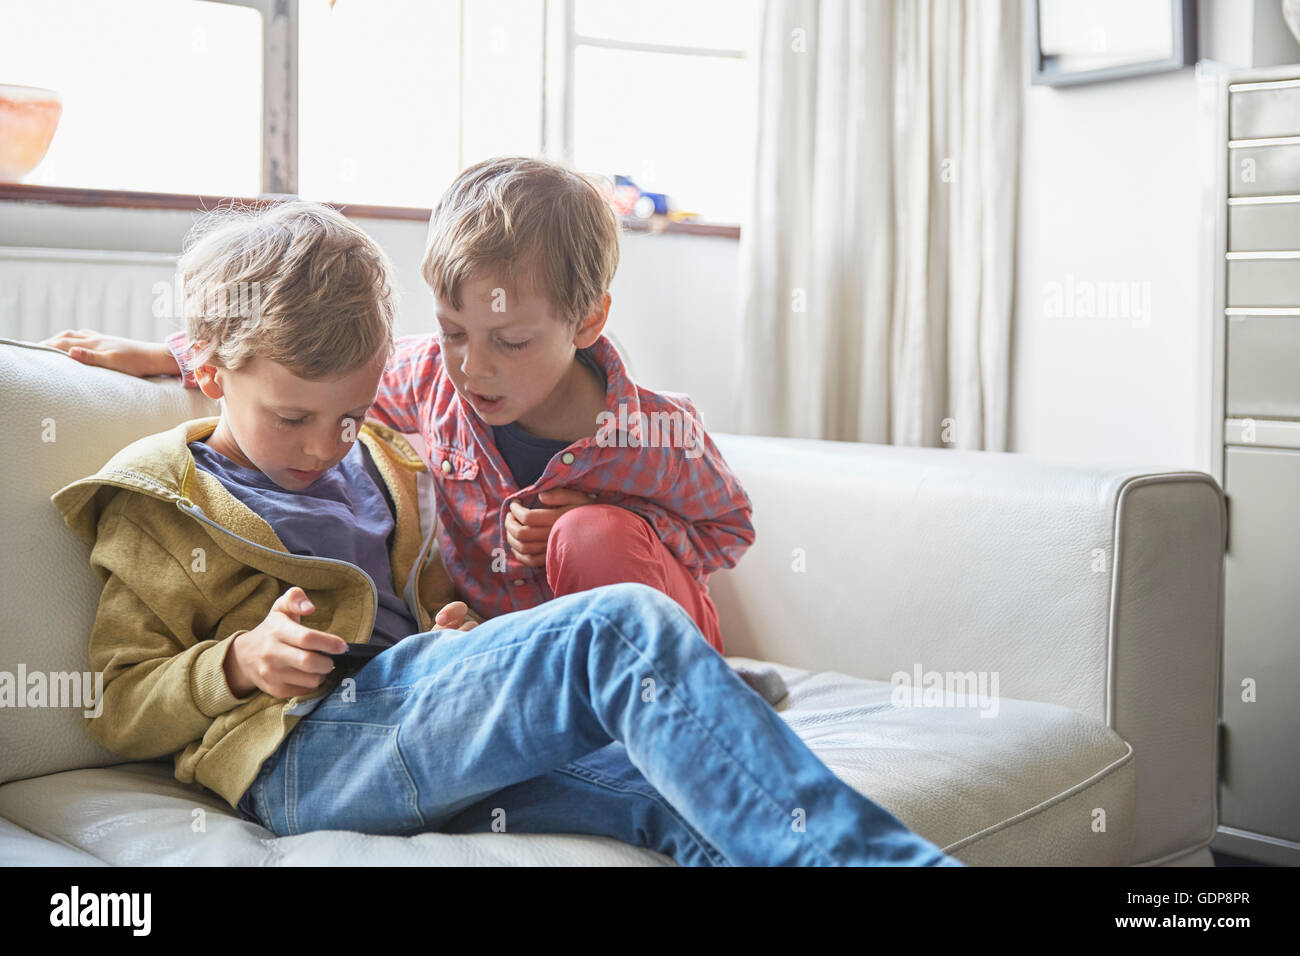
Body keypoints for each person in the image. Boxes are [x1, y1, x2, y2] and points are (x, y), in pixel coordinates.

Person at [48, 196, 962, 866]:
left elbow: (431, 614)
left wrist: (462, 634)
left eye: (352, 413)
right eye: (294, 419)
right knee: (616, 627)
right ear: (209, 371)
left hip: (421, 730)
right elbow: (120, 702)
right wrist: (240, 660)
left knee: (692, 797)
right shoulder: (163, 503)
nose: (328, 445)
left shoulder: (381, 466)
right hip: (302, 754)